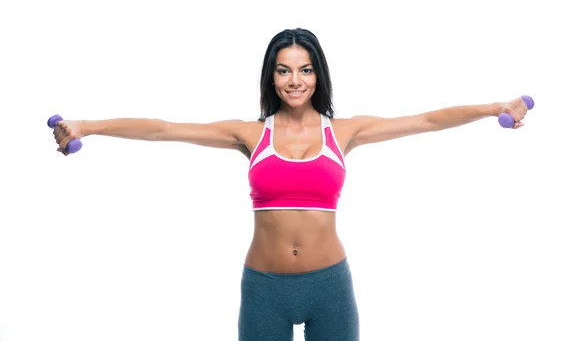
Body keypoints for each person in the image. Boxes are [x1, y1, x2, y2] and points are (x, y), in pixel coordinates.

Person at [51, 28, 530, 340]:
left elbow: (426, 119)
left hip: (330, 286)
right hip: (264, 289)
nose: (294, 80)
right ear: (272, 75)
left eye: (305, 69)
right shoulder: (250, 135)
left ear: (318, 74)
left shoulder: (343, 132)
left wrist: (493, 109)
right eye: (284, 69)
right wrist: (88, 126)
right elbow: (164, 128)